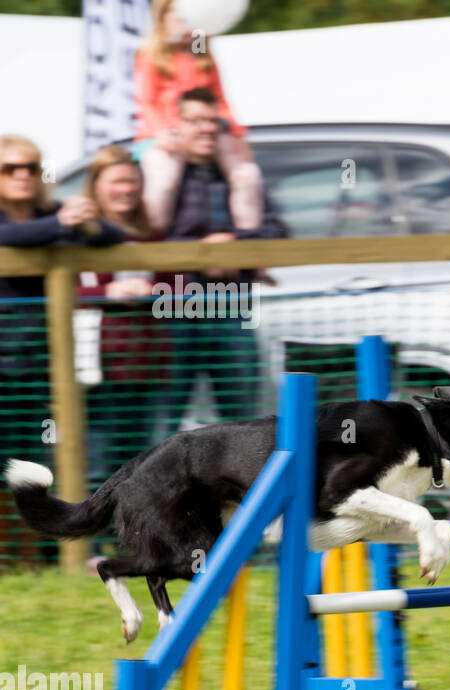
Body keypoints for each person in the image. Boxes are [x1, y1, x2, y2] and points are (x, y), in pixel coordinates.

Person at [0, 135, 126, 566]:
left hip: (43, 365)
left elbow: (111, 235)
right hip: (5, 361)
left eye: (30, 168)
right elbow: (12, 236)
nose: (21, 176)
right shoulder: (47, 220)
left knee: (34, 463)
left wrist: (86, 219)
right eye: (10, 169)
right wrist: (66, 223)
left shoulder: (54, 212)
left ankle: (32, 560)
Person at [156, 87, 287, 438]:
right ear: (176, 124)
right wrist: (201, 254)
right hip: (170, 309)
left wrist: (233, 244)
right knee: (160, 423)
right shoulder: (158, 174)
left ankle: (239, 492)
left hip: (232, 306)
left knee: (242, 424)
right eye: (194, 120)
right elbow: (142, 233)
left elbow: (276, 231)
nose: (206, 129)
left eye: (212, 120)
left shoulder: (240, 174)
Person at [78, 145, 169, 484]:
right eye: (116, 181)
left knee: (147, 470)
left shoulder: (153, 233)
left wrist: (151, 293)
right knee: (98, 468)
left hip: (150, 369)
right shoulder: (79, 232)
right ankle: (90, 538)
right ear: (96, 184)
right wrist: (107, 293)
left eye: (132, 181)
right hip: (98, 372)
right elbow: (62, 289)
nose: (126, 189)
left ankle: (134, 537)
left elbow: (177, 288)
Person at [135, 0, 262, 235]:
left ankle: (250, 238)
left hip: (207, 131)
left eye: (188, 19)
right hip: (166, 135)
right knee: (163, 180)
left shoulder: (202, 56)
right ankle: (152, 238)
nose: (184, 25)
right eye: (178, 18)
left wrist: (238, 135)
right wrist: (162, 133)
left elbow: (220, 101)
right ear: (162, 20)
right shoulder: (152, 56)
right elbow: (147, 102)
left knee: (246, 175)